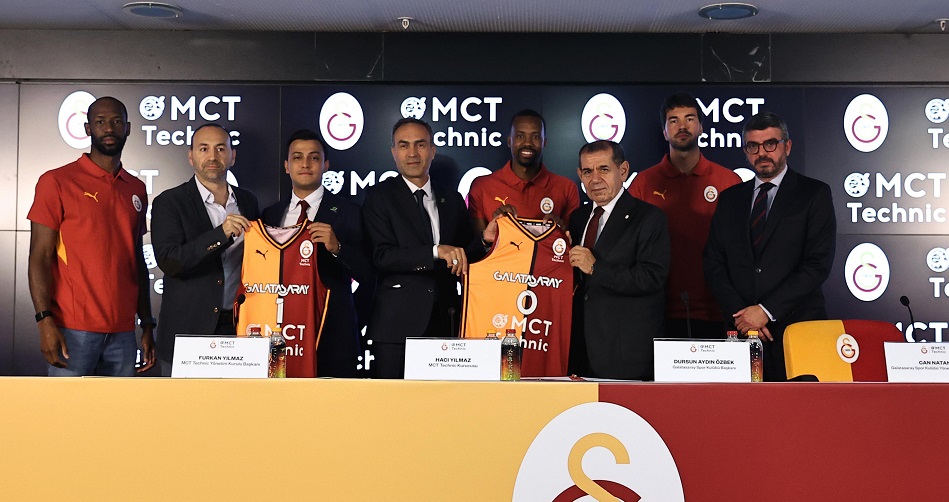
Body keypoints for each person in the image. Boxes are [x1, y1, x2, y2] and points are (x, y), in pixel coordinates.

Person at [27, 96, 156, 376]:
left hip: (123, 331)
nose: (109, 128)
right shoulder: (56, 181)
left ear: (128, 128)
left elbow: (136, 260)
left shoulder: (135, 188)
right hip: (72, 330)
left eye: (116, 121)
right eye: (100, 122)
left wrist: (146, 323)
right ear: (88, 129)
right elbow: (39, 257)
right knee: (66, 405)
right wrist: (44, 320)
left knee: (119, 406)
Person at [704, 112, 836, 381]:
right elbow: (714, 263)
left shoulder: (814, 194)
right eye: (753, 146)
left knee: (801, 407)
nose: (762, 153)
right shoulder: (730, 199)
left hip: (797, 331)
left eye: (770, 144)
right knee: (742, 407)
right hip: (741, 334)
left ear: (787, 146)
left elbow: (817, 265)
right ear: (745, 151)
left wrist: (765, 311)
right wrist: (743, 317)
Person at [362, 118, 489, 378]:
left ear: (432, 150)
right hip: (395, 327)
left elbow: (463, 255)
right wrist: (435, 251)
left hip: (446, 321)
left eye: (420, 145)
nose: (412, 153)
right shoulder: (378, 197)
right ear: (393, 152)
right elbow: (382, 256)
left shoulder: (452, 199)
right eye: (404, 145)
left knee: (441, 402)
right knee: (390, 401)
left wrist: (486, 240)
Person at [628, 92, 741, 339]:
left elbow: (741, 251)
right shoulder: (643, 183)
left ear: (701, 127)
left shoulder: (728, 181)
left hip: (717, 311)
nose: (682, 126)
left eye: (689, 119)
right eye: (674, 120)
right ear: (664, 131)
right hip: (656, 312)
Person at [260, 129, 371, 377]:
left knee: (333, 401)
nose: (305, 164)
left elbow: (368, 272)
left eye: (314, 157)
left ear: (325, 165)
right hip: (281, 333)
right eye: (297, 157)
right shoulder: (270, 214)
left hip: (333, 334)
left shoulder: (350, 212)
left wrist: (338, 248)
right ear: (287, 166)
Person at [151, 123, 260, 376]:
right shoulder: (169, 202)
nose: (212, 156)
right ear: (191, 157)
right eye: (204, 149)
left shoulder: (248, 201)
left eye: (221, 148)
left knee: (237, 402)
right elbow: (171, 262)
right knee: (184, 403)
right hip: (188, 331)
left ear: (233, 156)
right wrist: (220, 234)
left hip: (239, 328)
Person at [568, 140, 670, 380]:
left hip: (626, 353)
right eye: (587, 172)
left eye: (604, 169)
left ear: (623, 171)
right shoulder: (578, 217)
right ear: (579, 175)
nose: (595, 179)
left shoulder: (649, 218)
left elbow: (652, 278)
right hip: (580, 351)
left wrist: (596, 268)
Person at [467, 109, 579, 231]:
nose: (528, 143)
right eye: (520, 136)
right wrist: (495, 228)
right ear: (509, 141)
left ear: (544, 142)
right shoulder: (482, 186)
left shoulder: (567, 188)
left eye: (535, 137)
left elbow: (573, 238)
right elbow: (477, 240)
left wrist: (559, 231)